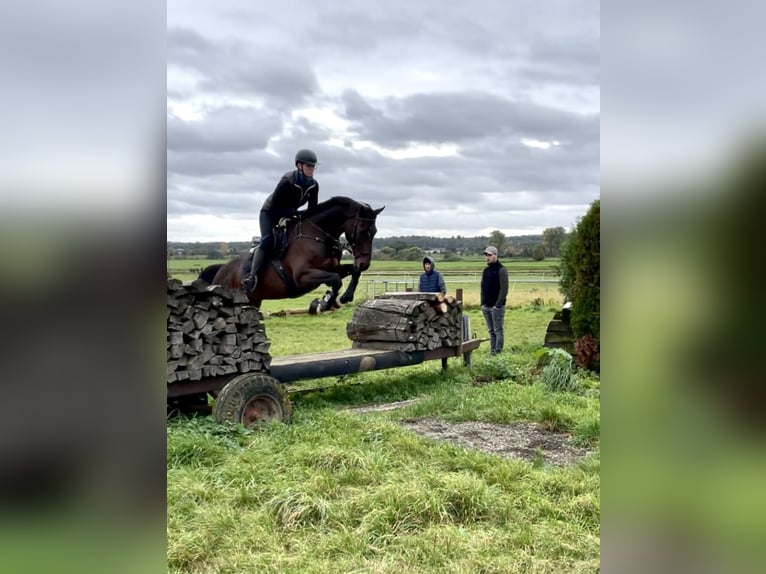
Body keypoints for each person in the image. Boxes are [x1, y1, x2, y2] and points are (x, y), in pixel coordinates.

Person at [241, 149, 319, 292]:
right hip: (270, 212)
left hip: (290, 214)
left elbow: (312, 210)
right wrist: (291, 215)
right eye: (309, 166)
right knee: (268, 239)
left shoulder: (313, 185)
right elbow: (276, 205)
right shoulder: (287, 180)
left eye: (313, 166)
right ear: (299, 166)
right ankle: (251, 276)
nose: (311, 169)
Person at [480, 245, 509, 355]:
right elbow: (482, 287)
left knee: (498, 331)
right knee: (491, 331)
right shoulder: (486, 271)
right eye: (486, 255)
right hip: (486, 306)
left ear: (495, 256)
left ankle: (498, 352)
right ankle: (492, 352)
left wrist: (497, 305)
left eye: (489, 255)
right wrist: (482, 303)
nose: (487, 257)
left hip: (497, 307)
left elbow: (504, 289)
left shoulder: (501, 270)